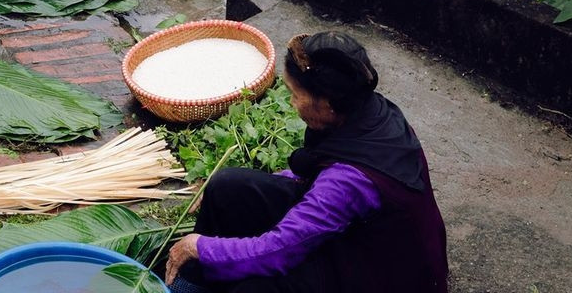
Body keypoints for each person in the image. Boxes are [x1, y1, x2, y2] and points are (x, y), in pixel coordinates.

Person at [163, 31, 450, 293]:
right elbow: (317, 180)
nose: (291, 103)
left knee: (253, 289)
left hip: (381, 274)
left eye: (295, 95)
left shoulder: (349, 180)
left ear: (326, 103)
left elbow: (277, 251)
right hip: (356, 235)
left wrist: (199, 247)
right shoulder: (364, 109)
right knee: (227, 187)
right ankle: (193, 283)